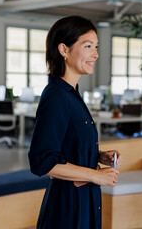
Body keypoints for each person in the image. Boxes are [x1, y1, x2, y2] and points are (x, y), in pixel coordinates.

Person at [28, 15, 122, 229]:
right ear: (64, 50)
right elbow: (43, 161)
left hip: (84, 200)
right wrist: (96, 175)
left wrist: (98, 156)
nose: (95, 54)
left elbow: (66, 145)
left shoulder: (72, 94)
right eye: (88, 46)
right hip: (68, 208)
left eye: (96, 46)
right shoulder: (56, 96)